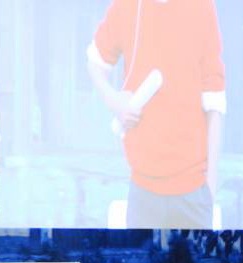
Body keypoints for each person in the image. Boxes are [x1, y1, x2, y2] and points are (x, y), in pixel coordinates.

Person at [87, 0, 226, 229]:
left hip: (194, 192)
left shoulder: (201, 6)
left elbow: (215, 98)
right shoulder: (127, 5)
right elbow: (95, 62)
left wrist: (209, 189)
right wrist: (115, 101)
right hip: (143, 191)